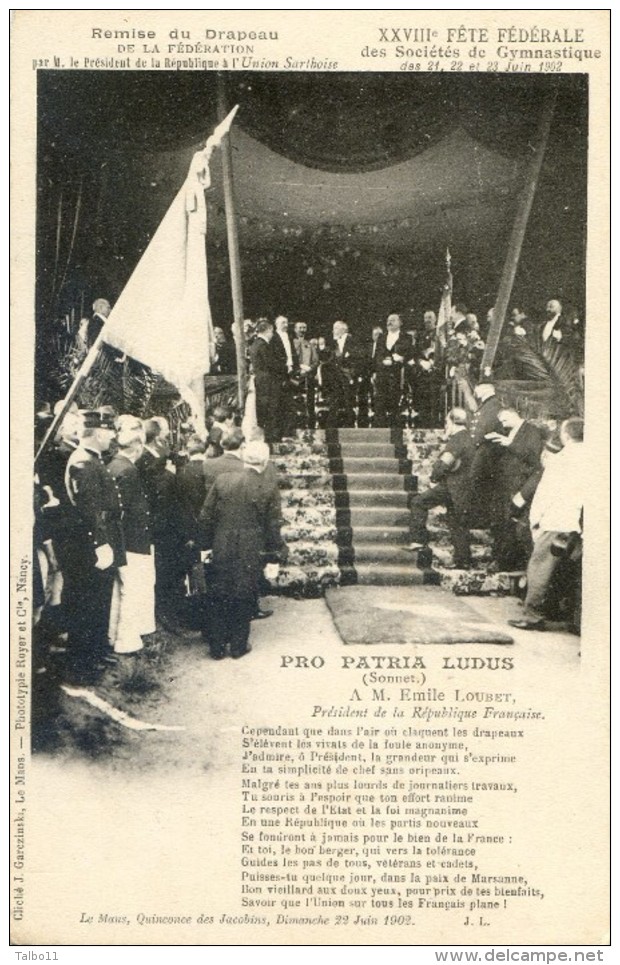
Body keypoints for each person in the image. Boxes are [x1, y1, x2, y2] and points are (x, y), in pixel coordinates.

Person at [200, 441, 287, 659]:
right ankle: (238, 646)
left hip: (222, 543)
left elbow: (206, 516)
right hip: (251, 547)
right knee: (244, 593)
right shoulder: (268, 486)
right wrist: (274, 556)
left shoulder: (223, 480)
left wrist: (205, 546)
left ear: (244, 457)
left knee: (219, 592)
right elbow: (273, 525)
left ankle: (217, 647)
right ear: (265, 462)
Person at [63, 409, 125, 684]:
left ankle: (97, 650)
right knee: (87, 604)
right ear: (99, 434)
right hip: (91, 545)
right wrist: (101, 543)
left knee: (100, 600)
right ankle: (83, 664)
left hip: (102, 540)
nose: (112, 437)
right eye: (109, 432)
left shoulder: (91, 459)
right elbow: (91, 510)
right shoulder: (83, 464)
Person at [509, 418, 584, 631]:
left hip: (557, 522)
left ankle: (533, 616)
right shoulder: (600, 457)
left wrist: (535, 522)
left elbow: (544, 495)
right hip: (582, 524)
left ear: (566, 435)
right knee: (575, 571)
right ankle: (577, 620)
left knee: (540, 568)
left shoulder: (560, 460)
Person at [107, 416, 155, 655]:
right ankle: (127, 641)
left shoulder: (115, 465)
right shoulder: (127, 470)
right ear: (136, 446)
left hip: (124, 540)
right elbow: (124, 510)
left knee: (122, 590)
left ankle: (115, 636)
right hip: (132, 541)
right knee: (132, 590)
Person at [405, 407, 473, 568]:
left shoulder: (457, 440)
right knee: (457, 524)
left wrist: (434, 477)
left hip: (451, 485)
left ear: (453, 422)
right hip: (462, 488)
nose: (446, 426)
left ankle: (418, 540)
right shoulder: (468, 438)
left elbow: (445, 463)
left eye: (447, 422)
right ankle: (463, 561)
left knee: (418, 502)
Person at [484, 408, 545, 570]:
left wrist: (510, 444)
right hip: (504, 486)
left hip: (520, 486)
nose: (503, 424)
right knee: (501, 523)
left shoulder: (532, 431)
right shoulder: (509, 431)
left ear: (513, 415)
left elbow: (534, 458)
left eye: (505, 420)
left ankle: (507, 563)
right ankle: (502, 561)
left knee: (512, 526)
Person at [373, 313, 413, 428]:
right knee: (380, 402)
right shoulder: (381, 337)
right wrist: (381, 363)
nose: (389, 322)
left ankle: (395, 429)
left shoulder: (406, 337)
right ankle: (379, 430)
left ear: (400, 323)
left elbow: (410, 354)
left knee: (395, 403)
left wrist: (400, 359)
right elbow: (377, 355)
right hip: (382, 374)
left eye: (393, 320)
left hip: (398, 374)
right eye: (388, 320)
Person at [249, 319, 281, 444]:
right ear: (268, 330)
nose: (272, 334)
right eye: (272, 331)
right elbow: (270, 364)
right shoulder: (263, 345)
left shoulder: (255, 343)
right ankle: (270, 440)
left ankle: (267, 438)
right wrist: (285, 367)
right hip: (267, 382)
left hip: (262, 381)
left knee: (264, 410)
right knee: (270, 410)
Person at [322, 320, 359, 428]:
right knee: (334, 402)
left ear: (343, 329)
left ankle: (349, 426)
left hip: (348, 377)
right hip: (335, 378)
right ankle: (332, 427)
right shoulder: (332, 343)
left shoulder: (353, 341)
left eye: (335, 328)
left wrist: (352, 373)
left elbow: (358, 358)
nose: (333, 331)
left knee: (348, 402)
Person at [292, 320, 319, 428]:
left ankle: (310, 425)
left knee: (309, 403)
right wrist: (298, 369)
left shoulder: (309, 344)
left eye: (304, 327)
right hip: (294, 378)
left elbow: (316, 361)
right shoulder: (291, 343)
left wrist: (309, 369)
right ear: (295, 329)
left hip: (308, 378)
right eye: (300, 327)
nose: (302, 330)